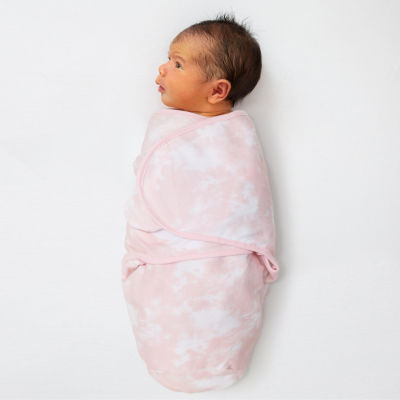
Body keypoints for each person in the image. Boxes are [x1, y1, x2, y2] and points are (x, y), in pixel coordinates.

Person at [121, 12, 279, 393]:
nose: (162, 68)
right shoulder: (167, 130)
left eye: (177, 64)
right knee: (169, 313)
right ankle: (170, 358)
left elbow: (245, 204)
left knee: (219, 298)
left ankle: (221, 355)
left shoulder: (235, 142)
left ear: (217, 90)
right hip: (165, 270)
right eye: (168, 59)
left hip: (224, 272)